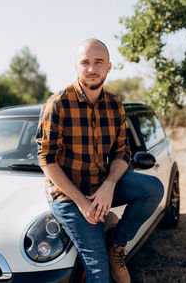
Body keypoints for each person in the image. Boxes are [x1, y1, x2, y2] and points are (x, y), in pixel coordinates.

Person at [36, 39, 164, 283]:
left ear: (109, 67)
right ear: (76, 67)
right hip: (68, 195)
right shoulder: (58, 105)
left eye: (98, 62)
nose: (92, 69)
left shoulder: (115, 105)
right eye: (85, 63)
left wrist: (110, 184)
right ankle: (104, 254)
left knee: (153, 188)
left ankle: (116, 245)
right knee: (98, 270)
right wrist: (83, 203)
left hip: (100, 186)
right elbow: (47, 160)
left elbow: (122, 153)